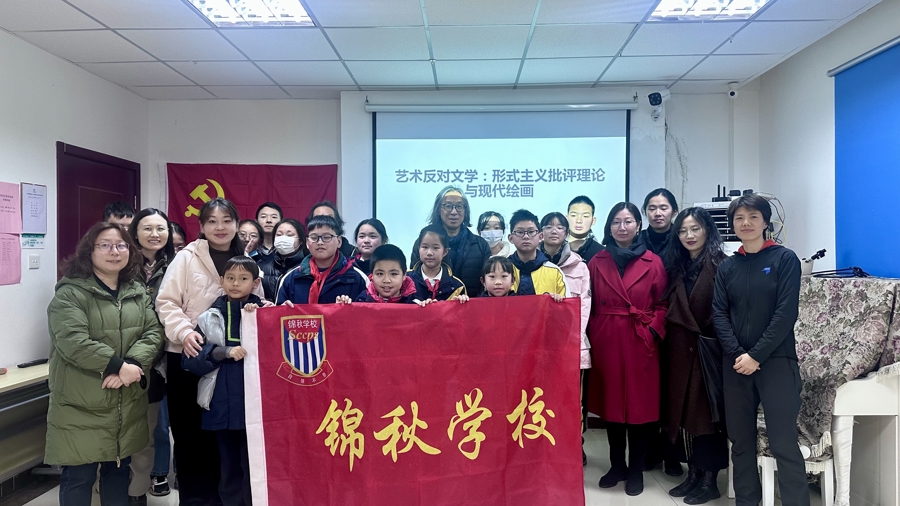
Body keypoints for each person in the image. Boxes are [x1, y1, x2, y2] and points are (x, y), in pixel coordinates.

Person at [156, 198, 266, 506]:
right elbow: (166, 302)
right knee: (191, 437)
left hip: (235, 363)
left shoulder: (245, 260)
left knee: (228, 439)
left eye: (227, 221)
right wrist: (185, 332)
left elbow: (257, 305)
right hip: (189, 355)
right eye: (212, 221)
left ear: (237, 225)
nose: (220, 227)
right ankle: (196, 500)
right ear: (202, 226)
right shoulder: (186, 258)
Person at [47, 222, 163, 506]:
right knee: (80, 476)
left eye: (121, 245)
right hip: (81, 404)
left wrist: (132, 364)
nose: (115, 251)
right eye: (105, 245)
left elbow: (154, 333)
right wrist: (118, 366)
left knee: (118, 472)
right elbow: (72, 340)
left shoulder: (136, 290)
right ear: (89, 251)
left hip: (126, 401)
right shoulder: (70, 293)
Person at [712, 194, 808, 506]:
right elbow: (719, 314)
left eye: (753, 217)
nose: (746, 223)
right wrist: (739, 354)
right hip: (736, 365)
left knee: (783, 443)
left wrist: (756, 355)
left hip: (777, 362)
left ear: (766, 222)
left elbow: (785, 314)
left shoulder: (784, 259)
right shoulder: (727, 267)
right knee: (741, 444)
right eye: (739, 218)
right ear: (732, 224)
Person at [587, 202, 668, 496]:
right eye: (616, 222)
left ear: (638, 226)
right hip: (607, 339)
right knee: (611, 408)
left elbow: (663, 304)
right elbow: (588, 303)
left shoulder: (653, 261)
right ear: (609, 227)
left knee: (638, 408)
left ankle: (636, 469)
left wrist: (651, 331)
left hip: (639, 340)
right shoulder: (597, 260)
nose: (622, 227)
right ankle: (617, 465)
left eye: (628, 221)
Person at [182, 256, 263, 506]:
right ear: (221, 281)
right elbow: (190, 361)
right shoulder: (208, 317)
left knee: (256, 465)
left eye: (243, 278)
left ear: (255, 283)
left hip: (256, 407)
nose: (235, 284)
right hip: (221, 405)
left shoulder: (265, 313)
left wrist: (265, 313)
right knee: (227, 465)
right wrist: (221, 352)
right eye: (230, 278)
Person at [661, 208, 729, 504]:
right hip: (680, 350)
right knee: (685, 416)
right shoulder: (677, 267)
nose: (689, 235)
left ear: (707, 231)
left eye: (695, 229)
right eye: (683, 231)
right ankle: (693, 474)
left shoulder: (723, 265)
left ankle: (710, 480)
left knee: (708, 419)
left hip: (710, 351)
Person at [127, 208, 176, 504]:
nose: (154, 234)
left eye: (161, 228)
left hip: (162, 360)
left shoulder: (177, 264)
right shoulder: (122, 263)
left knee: (150, 429)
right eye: (147, 228)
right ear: (135, 232)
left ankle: (139, 490)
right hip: (124, 358)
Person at [540, 211, 593, 466]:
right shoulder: (531, 263)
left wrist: (572, 338)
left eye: (559, 227)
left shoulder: (580, 266)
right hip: (538, 346)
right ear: (540, 232)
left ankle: (574, 446)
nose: (554, 231)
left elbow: (584, 306)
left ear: (566, 232)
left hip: (571, 344)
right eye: (548, 226)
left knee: (571, 401)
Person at [410, 186, 491, 296]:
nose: (454, 212)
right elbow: (414, 281)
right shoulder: (422, 242)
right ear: (438, 210)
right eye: (448, 206)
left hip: (473, 305)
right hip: (431, 304)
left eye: (459, 206)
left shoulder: (481, 245)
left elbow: (487, 283)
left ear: (465, 211)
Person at [277, 215, 367, 306]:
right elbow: (277, 311)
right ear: (307, 243)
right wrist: (282, 309)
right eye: (314, 237)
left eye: (327, 237)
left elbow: (368, 311)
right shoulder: (292, 278)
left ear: (339, 242)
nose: (320, 242)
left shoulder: (356, 277)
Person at [507, 209, 568, 297]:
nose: (526, 236)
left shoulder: (555, 272)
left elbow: (567, 304)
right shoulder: (503, 270)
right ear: (510, 238)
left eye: (531, 232)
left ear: (540, 236)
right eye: (520, 232)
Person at [338, 244, 418, 304]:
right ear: (372, 275)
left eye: (393, 274)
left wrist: (424, 308)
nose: (386, 280)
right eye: (380, 274)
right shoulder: (362, 300)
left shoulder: (414, 302)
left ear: (404, 275)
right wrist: (342, 307)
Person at [408, 225, 467, 302]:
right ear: (419, 248)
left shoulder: (457, 286)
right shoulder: (405, 280)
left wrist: (461, 302)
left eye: (435, 248)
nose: (429, 253)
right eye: (425, 247)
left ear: (445, 252)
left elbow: (464, 310)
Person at [257, 219, 307, 301]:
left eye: (289, 235)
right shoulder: (261, 267)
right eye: (279, 235)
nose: (283, 238)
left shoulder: (308, 268)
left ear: (301, 240)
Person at [640, 188, 679, 256]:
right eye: (652, 209)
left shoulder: (681, 239)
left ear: (674, 212)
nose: (658, 213)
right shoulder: (637, 240)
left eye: (663, 208)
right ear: (645, 212)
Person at [566, 196, 605, 263]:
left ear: (593, 221)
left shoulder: (601, 253)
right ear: (566, 219)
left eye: (585, 216)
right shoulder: (554, 246)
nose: (579, 220)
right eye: (573, 215)